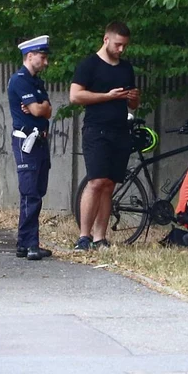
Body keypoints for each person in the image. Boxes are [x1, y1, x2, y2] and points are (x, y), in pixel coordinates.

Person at [69, 21, 139, 250]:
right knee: (96, 181)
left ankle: (100, 237)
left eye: (125, 46)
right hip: (96, 130)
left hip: (120, 130)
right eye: (118, 44)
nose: (121, 50)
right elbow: (75, 97)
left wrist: (132, 98)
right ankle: (84, 236)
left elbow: (133, 104)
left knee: (109, 184)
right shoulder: (89, 65)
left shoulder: (126, 68)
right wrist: (108, 96)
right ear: (106, 39)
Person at [7, 35, 53, 260]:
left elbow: (47, 110)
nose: (46, 62)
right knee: (30, 193)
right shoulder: (20, 80)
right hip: (27, 141)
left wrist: (41, 107)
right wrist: (40, 107)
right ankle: (29, 244)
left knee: (37, 191)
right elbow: (36, 111)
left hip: (40, 141)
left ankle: (25, 243)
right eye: (42, 58)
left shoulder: (36, 82)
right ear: (30, 55)